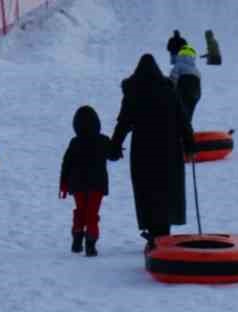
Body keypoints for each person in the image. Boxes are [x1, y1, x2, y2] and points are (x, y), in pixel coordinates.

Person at [109, 54, 194, 248]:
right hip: (169, 149)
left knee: (147, 190)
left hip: (143, 149)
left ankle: (154, 232)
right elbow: (183, 119)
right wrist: (189, 143)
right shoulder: (168, 90)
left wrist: (115, 146)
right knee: (166, 189)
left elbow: (124, 122)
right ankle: (162, 232)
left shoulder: (134, 91)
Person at [59, 105, 113, 257]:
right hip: (97, 184)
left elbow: (66, 163)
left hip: (78, 184)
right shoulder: (102, 141)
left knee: (80, 211)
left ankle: (77, 239)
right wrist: (117, 150)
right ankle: (90, 243)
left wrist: (63, 183)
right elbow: (113, 154)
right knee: (92, 213)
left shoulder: (74, 143)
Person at [169, 37, 202, 124]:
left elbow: (173, 78)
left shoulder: (179, 65)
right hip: (195, 94)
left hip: (183, 90)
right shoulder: (196, 70)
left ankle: (177, 132)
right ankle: (187, 132)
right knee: (188, 115)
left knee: (177, 112)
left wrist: (170, 90)